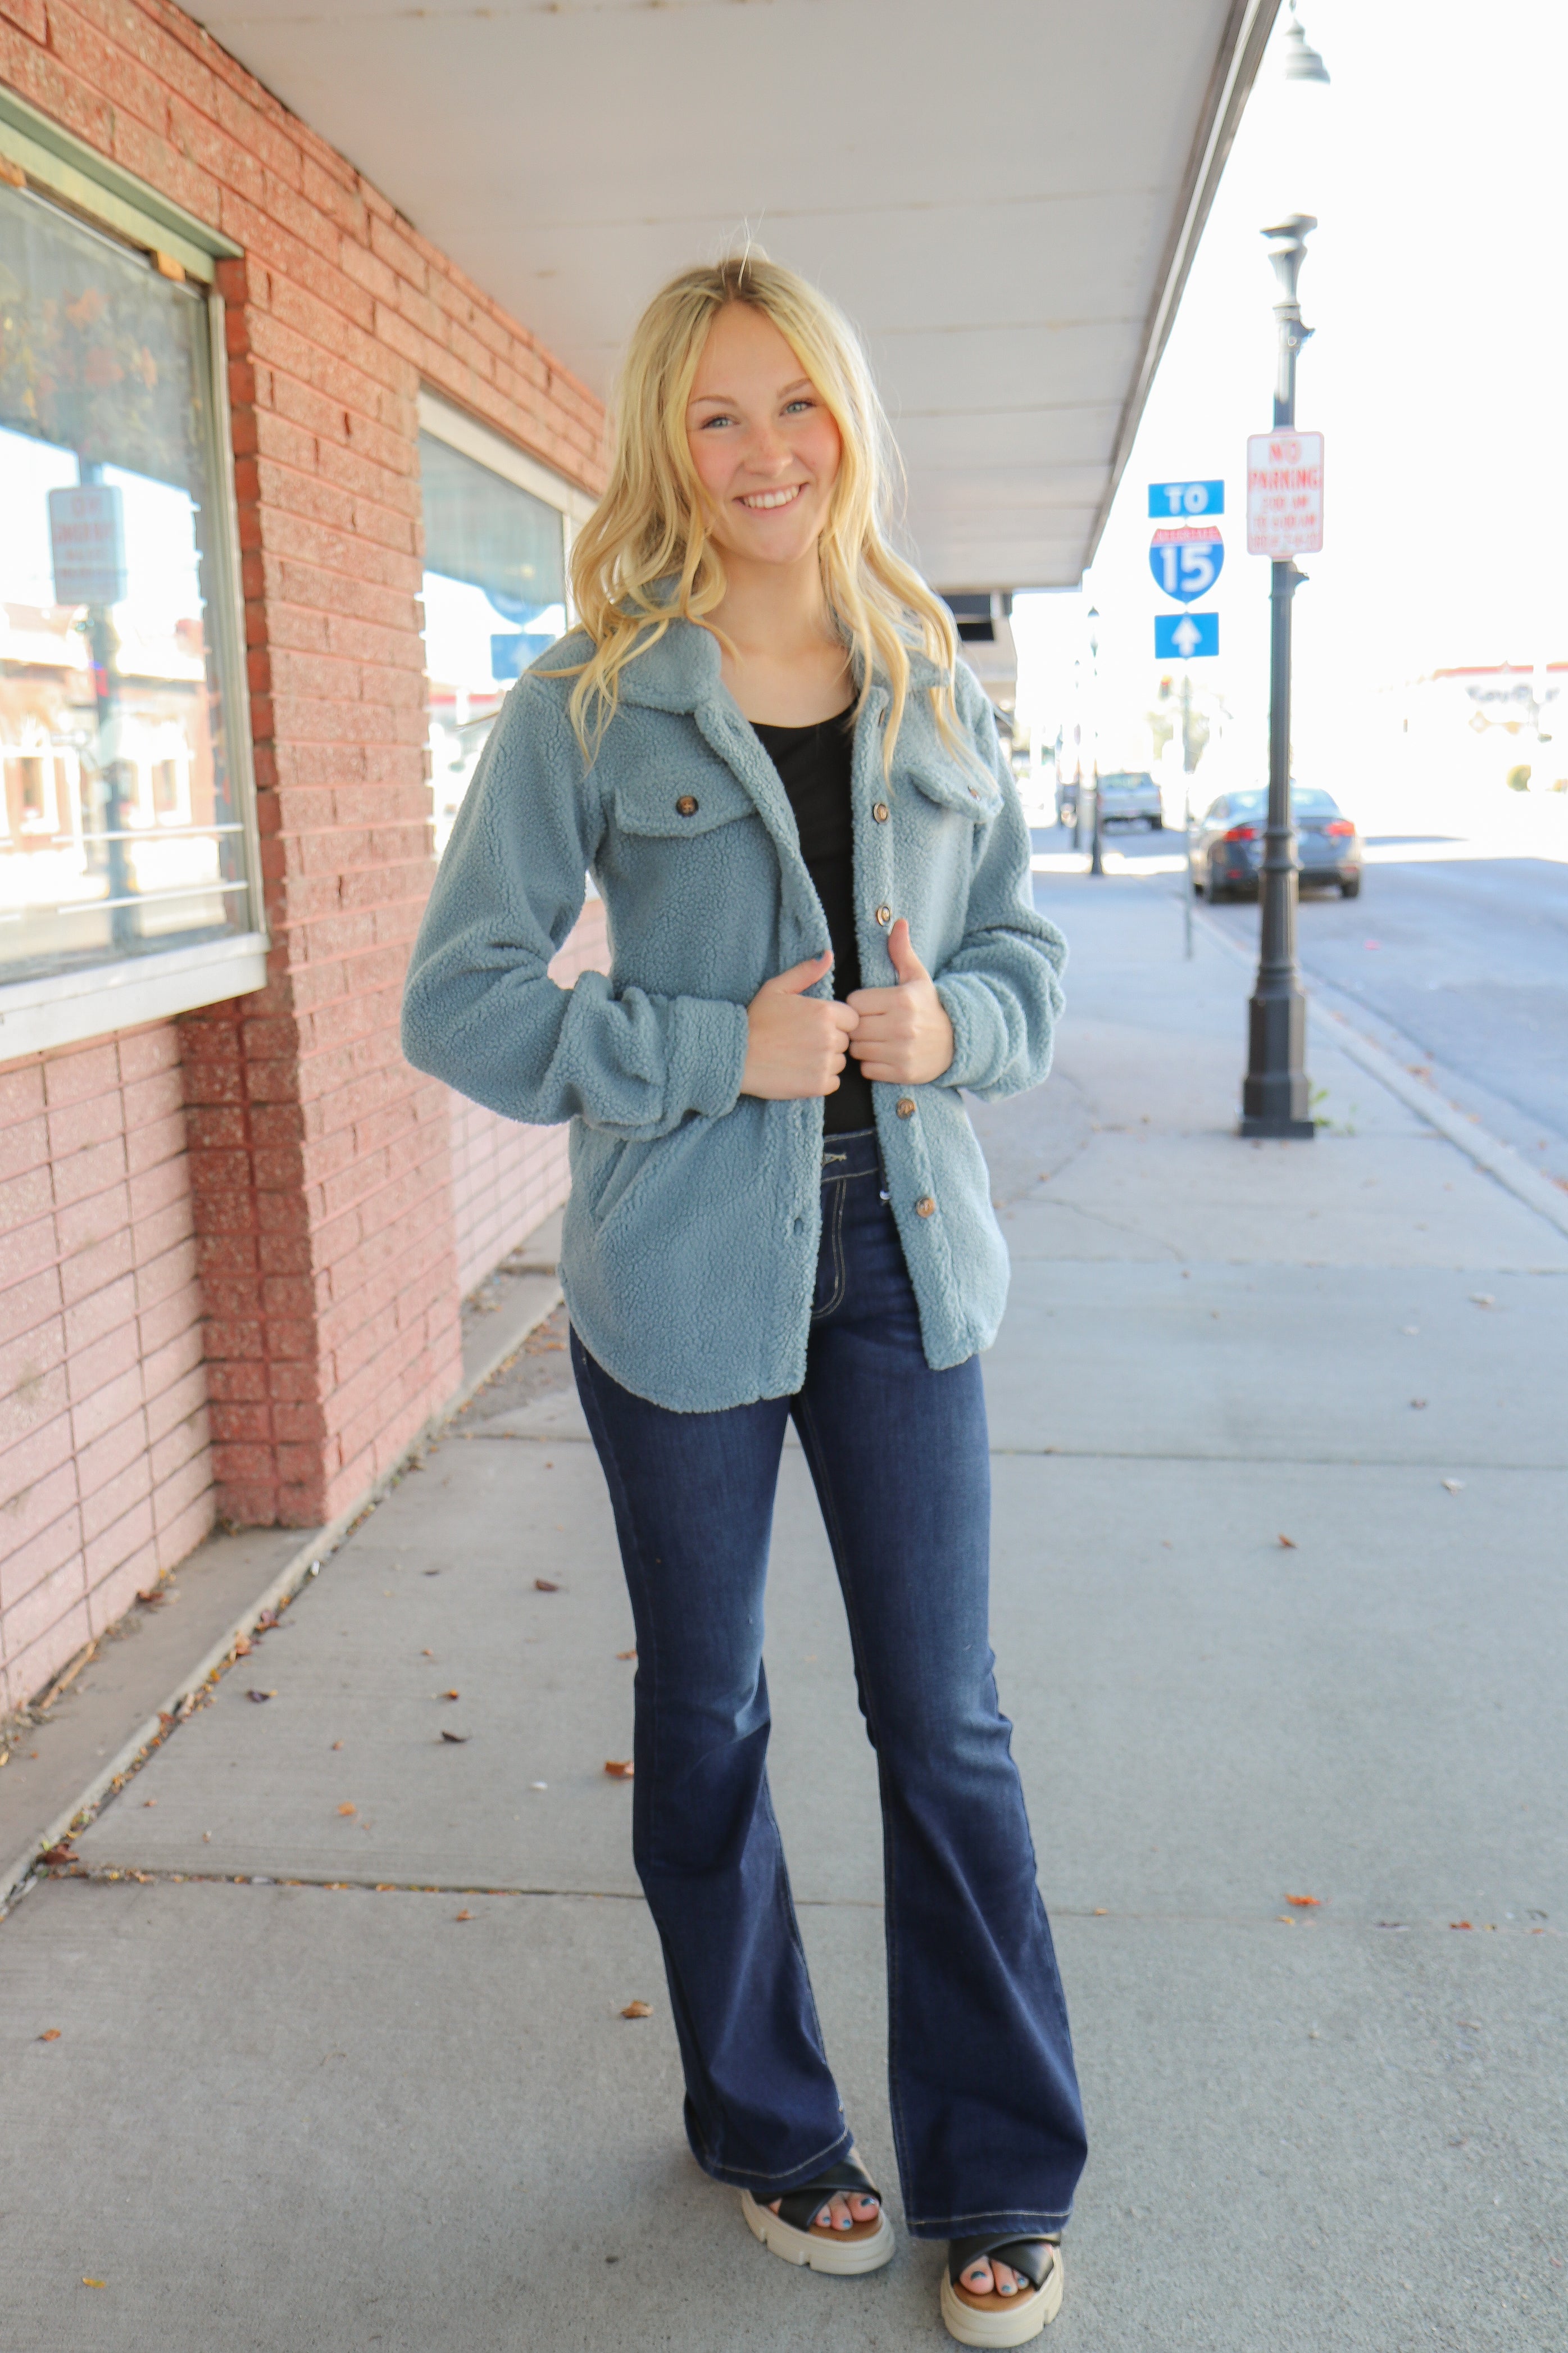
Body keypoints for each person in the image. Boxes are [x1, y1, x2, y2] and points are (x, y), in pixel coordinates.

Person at [402, 253, 1087, 2345]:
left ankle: (999, 2171)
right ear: (660, 446)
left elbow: (1030, 981)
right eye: (715, 414)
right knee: (706, 1716)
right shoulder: (590, 697)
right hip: (687, 1277)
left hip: (905, 1264)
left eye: (794, 404)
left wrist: (934, 1031)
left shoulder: (937, 683)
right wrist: (718, 1050)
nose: (764, 450)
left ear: (848, 424)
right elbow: (464, 999)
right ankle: (771, 2125)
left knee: (946, 1724)